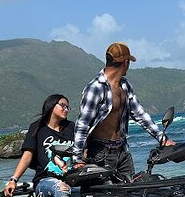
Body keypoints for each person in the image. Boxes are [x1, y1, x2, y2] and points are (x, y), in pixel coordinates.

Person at [73, 42, 174, 177]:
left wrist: (162, 139)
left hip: (122, 149)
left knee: (130, 194)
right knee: (103, 195)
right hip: (100, 152)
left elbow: (140, 114)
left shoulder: (124, 86)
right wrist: (77, 158)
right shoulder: (96, 87)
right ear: (126, 63)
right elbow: (82, 124)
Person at [3, 94, 75, 197]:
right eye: (62, 105)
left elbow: (82, 149)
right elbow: (28, 155)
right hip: (45, 182)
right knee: (61, 188)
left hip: (71, 178)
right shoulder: (37, 129)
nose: (66, 109)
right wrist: (13, 180)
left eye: (67, 107)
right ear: (51, 106)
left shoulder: (71, 127)